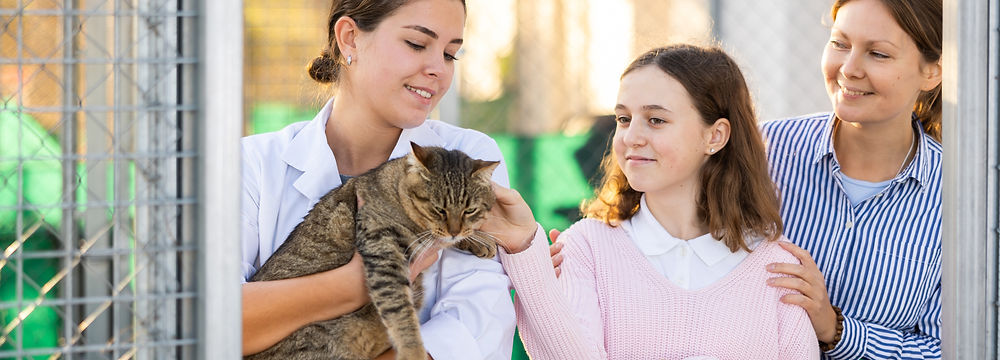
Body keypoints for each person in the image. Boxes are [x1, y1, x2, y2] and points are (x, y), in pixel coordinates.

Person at [483, 44, 820, 359]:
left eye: (656, 120)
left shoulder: (778, 268)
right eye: (623, 119)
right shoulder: (586, 248)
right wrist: (526, 258)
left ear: (714, 136)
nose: (631, 137)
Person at [239, 0, 516, 358]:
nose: (438, 70)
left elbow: (476, 325)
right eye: (417, 44)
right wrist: (353, 285)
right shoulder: (252, 163)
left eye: (450, 54)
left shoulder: (466, 156)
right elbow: (208, 324)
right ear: (350, 38)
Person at [760, 0, 943, 358]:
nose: (849, 68)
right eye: (840, 44)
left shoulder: (957, 198)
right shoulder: (765, 151)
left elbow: (946, 349)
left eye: (878, 53)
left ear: (932, 71)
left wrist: (836, 329)